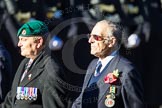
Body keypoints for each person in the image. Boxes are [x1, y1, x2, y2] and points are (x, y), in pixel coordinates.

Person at [72, 20, 145, 108]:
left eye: (96, 37)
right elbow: (81, 101)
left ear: (111, 42)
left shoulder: (126, 70)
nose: (90, 40)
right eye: (90, 36)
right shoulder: (93, 64)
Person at [0, 20, 69, 108]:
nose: (19, 44)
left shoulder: (51, 71)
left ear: (39, 42)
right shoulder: (25, 63)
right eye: (19, 39)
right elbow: (12, 99)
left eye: (24, 40)